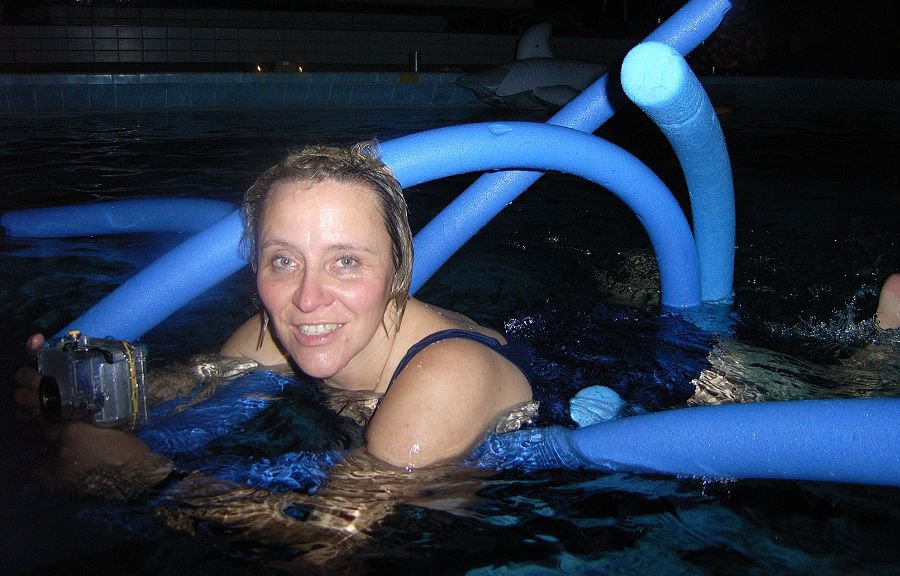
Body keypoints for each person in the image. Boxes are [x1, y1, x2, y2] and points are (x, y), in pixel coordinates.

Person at [14, 143, 534, 492]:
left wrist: (142, 475)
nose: (307, 300)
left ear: (398, 271)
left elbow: (327, 550)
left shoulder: (446, 380)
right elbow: (191, 399)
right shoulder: (271, 333)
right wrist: (82, 404)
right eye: (284, 261)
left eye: (345, 261)